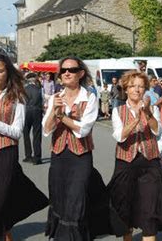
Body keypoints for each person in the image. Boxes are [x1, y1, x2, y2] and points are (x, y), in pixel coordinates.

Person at [0, 54, 48, 241]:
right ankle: (6, 234)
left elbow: (16, 132)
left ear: (8, 72)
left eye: (0, 71)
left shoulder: (18, 95)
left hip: (6, 152)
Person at [43, 56, 111, 239]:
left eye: (71, 70)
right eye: (63, 70)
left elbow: (83, 130)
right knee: (60, 199)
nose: (66, 73)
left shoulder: (89, 98)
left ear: (80, 73)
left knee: (76, 200)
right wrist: (53, 114)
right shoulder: (55, 98)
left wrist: (61, 116)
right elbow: (46, 130)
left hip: (80, 158)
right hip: (58, 157)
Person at [108, 71, 162, 241]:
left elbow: (157, 130)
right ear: (126, 88)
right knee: (126, 206)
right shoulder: (118, 111)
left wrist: (147, 113)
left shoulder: (152, 108)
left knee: (150, 207)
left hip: (149, 162)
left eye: (140, 86)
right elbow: (119, 136)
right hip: (126, 161)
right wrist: (135, 119)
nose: (137, 90)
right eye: (132, 86)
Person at [22, 73, 44, 165]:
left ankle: (28, 155)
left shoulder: (24, 89)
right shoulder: (39, 89)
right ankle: (37, 157)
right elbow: (42, 101)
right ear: (34, 80)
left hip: (26, 111)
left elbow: (21, 101)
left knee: (26, 134)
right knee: (37, 134)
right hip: (37, 111)